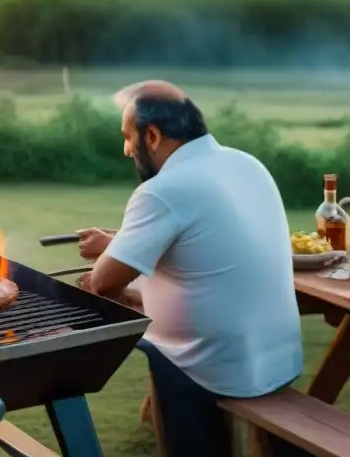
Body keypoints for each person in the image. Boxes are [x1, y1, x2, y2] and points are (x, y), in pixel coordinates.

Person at [79, 80, 303, 456]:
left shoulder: (161, 191)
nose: (125, 150)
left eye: (127, 137)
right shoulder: (246, 163)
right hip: (279, 354)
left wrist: (110, 255)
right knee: (147, 312)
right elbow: (202, 235)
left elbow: (102, 281)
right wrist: (116, 242)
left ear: (152, 135)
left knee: (151, 342)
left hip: (216, 365)